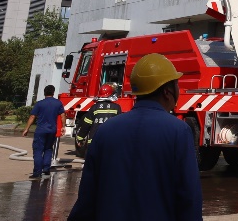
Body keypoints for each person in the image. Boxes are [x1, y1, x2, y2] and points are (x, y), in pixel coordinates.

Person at [67, 54, 202, 221]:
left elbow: (87, 195)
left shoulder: (106, 130)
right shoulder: (179, 131)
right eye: (176, 84)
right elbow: (189, 196)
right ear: (167, 92)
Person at [21, 84, 65, 178]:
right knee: (48, 149)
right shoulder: (58, 103)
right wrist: (63, 127)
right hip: (52, 130)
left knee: (38, 150)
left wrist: (26, 129)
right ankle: (46, 169)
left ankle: (37, 172)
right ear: (53, 92)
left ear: (44, 93)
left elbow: (32, 116)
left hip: (41, 130)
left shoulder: (39, 104)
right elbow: (62, 115)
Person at [74, 83, 122, 157]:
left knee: (92, 162)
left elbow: (86, 125)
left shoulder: (94, 108)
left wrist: (80, 138)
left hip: (94, 142)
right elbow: (120, 126)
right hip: (110, 142)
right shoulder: (116, 108)